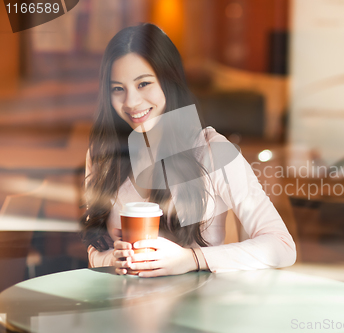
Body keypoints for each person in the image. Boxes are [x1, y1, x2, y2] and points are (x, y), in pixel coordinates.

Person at [80, 23, 296, 277]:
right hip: (124, 307)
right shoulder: (103, 155)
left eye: (143, 84)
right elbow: (95, 250)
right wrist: (112, 260)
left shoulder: (211, 152)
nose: (131, 102)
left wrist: (192, 258)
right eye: (118, 88)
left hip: (198, 309)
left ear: (169, 81)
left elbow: (282, 246)